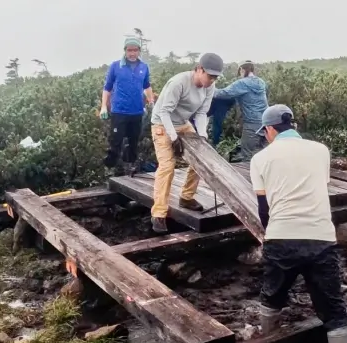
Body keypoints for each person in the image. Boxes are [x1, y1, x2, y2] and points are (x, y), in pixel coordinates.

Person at [250, 104, 347, 343]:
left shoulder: (260, 159)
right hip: (321, 238)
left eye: (265, 133)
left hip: (281, 237)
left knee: (272, 298)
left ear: (270, 129)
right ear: (292, 125)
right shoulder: (321, 150)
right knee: (334, 311)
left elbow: (264, 209)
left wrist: (271, 235)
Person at [149, 53, 223, 234]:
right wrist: (173, 137)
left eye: (215, 77)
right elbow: (164, 112)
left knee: (199, 159)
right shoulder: (179, 82)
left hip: (183, 123)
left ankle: (187, 197)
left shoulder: (209, 87)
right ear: (199, 69)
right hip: (162, 124)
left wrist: (202, 135)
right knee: (167, 166)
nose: (212, 80)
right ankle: (158, 213)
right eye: (210, 76)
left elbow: (202, 113)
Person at [100, 37, 154, 174]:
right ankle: (109, 170)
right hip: (119, 111)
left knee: (133, 142)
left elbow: (146, 86)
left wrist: (151, 102)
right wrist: (104, 107)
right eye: (129, 50)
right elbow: (107, 88)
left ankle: (129, 169)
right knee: (115, 141)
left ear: (139, 51)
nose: (132, 53)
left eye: (135, 50)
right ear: (125, 51)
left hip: (137, 112)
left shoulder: (144, 67)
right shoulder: (115, 66)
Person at [214, 61, 269, 163]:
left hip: (252, 123)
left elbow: (224, 93)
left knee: (247, 155)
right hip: (267, 123)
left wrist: (210, 89)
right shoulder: (261, 82)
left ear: (242, 70)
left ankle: (249, 173)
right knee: (265, 154)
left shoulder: (242, 83)